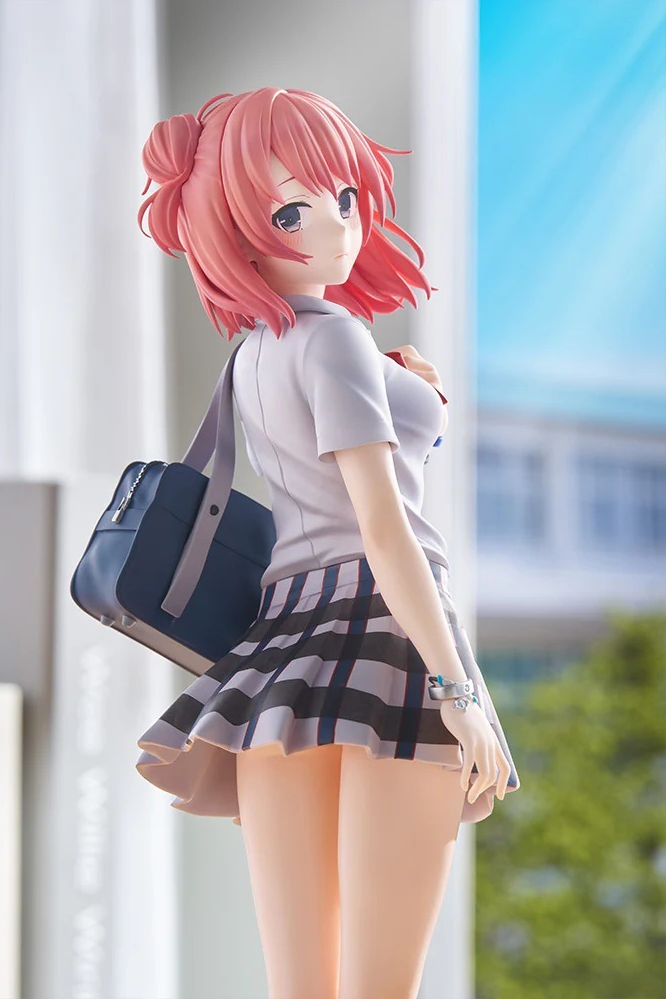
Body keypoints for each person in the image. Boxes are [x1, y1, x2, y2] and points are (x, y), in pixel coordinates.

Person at [134, 86, 520, 998]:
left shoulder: (253, 351)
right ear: (229, 226)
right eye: (291, 211)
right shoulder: (336, 339)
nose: (338, 225)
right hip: (388, 638)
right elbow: (383, 527)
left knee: (300, 985)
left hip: (282, 660)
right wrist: (460, 692)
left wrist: (408, 393)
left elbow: (323, 475)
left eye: (344, 197)